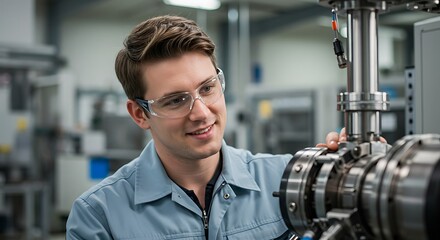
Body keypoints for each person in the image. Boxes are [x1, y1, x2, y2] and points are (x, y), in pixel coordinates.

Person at [66, 15, 345, 240]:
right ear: (140, 114)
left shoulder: (289, 180)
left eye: (208, 88)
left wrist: (346, 180)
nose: (201, 113)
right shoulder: (99, 215)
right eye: (176, 100)